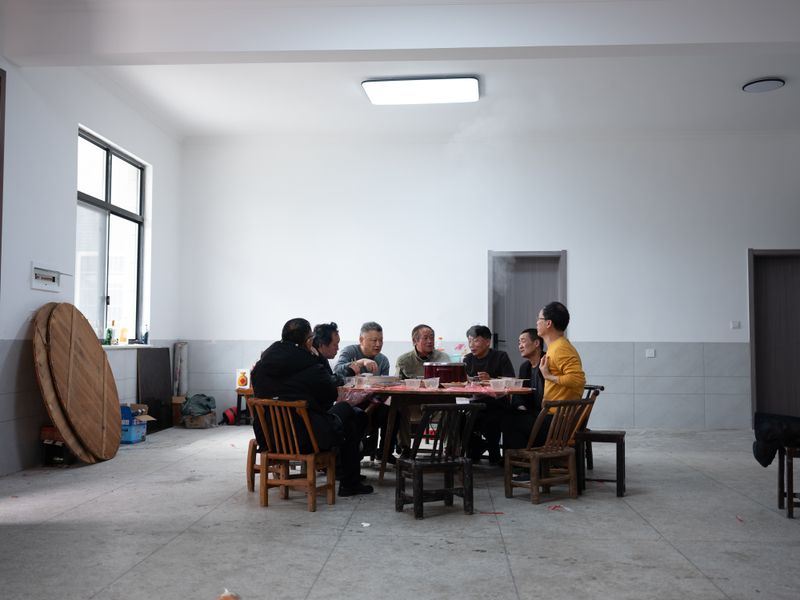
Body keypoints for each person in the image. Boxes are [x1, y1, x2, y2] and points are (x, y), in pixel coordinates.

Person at [250, 318, 373, 497]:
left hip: (270, 437)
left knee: (351, 417)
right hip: (304, 438)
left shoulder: (261, 366)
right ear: (308, 341)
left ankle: (345, 474)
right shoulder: (309, 365)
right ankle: (349, 481)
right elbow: (330, 396)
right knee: (349, 412)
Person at [462, 324, 515, 464]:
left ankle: (493, 453)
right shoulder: (467, 359)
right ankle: (478, 447)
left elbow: (511, 381)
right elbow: (465, 384)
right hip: (476, 404)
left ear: (487, 341)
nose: (472, 345)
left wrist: (490, 380)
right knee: (460, 420)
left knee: (490, 421)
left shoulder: (500, 356)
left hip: (498, 404)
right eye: (469, 341)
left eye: (476, 340)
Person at [502, 328, 546, 451]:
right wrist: (521, 407)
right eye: (518, 343)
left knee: (510, 421)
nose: (520, 346)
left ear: (536, 343)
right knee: (506, 414)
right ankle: (514, 459)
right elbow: (518, 393)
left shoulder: (548, 362)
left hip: (547, 416)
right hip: (532, 413)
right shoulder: (525, 367)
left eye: (522, 341)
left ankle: (520, 460)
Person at [537, 301, 586, 401]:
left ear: (548, 323)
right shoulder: (556, 346)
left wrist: (548, 376)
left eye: (539, 318)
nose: (537, 322)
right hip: (555, 412)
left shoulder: (560, 348)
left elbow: (578, 379)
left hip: (559, 414)